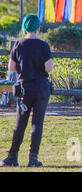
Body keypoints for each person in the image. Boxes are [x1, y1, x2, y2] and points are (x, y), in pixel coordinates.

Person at [1, 14, 53, 167]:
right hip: (41, 88)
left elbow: (11, 66)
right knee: (37, 124)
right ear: (38, 28)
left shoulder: (18, 44)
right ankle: (33, 158)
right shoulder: (43, 45)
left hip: (24, 88)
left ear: (24, 27)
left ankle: (12, 157)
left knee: (20, 124)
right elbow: (48, 67)